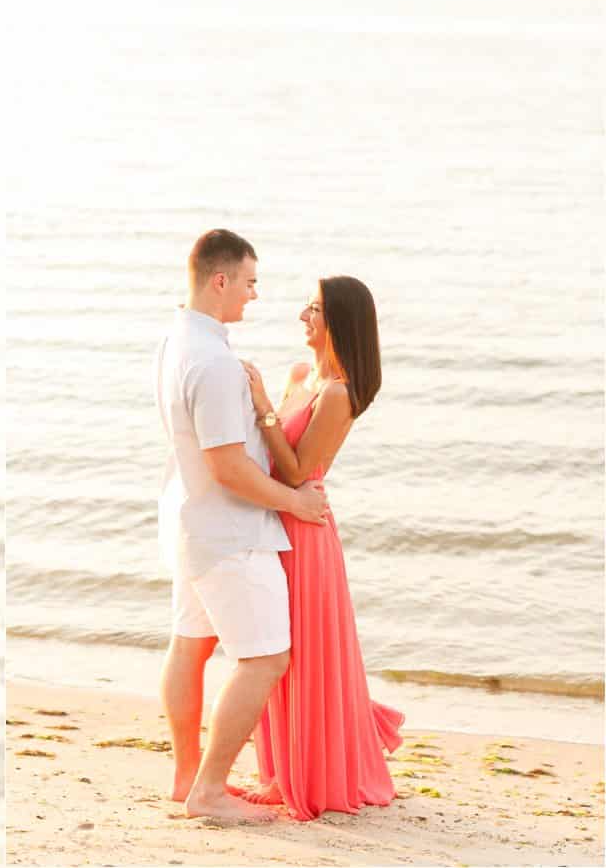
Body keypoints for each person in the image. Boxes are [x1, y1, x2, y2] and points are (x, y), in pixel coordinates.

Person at [154, 229, 330, 823]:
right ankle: (208, 792)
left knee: (191, 645)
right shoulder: (214, 361)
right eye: (250, 282)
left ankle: (186, 778)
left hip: (191, 523)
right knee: (265, 660)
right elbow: (228, 465)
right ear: (220, 279)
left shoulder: (178, 342)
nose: (254, 295)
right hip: (230, 536)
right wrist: (293, 501)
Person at [239, 276, 403, 820]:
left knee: (302, 653)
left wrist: (263, 405)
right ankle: (279, 769)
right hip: (276, 524)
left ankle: (301, 774)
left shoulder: (338, 393)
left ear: (339, 321)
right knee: (271, 648)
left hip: (305, 535)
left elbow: (297, 470)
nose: (302, 316)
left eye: (313, 309)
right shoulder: (301, 376)